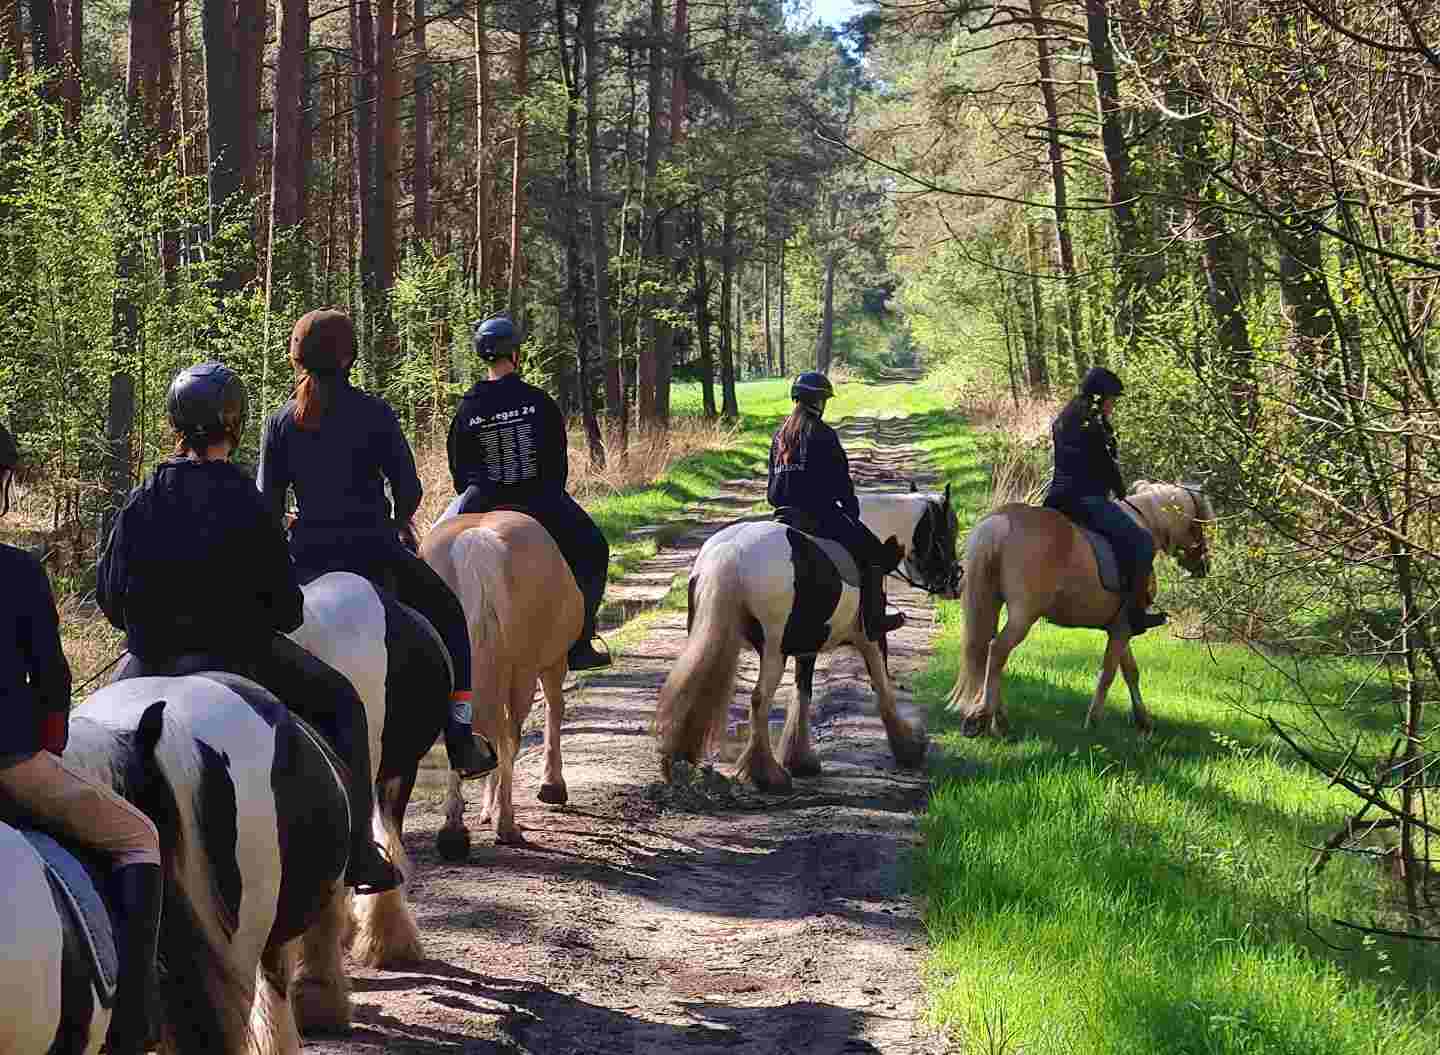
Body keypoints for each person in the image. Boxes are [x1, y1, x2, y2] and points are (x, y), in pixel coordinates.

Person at [98, 361, 403, 894]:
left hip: (149, 659)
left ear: (176, 423)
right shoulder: (248, 500)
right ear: (233, 425)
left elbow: (108, 595)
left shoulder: (143, 495)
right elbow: (286, 609)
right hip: (240, 657)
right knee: (344, 705)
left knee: (93, 736)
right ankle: (358, 854)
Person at [256, 308, 497, 780]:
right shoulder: (374, 411)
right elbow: (409, 491)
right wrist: (391, 519)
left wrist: (293, 522)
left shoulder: (280, 421)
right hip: (373, 552)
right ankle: (461, 737)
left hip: (306, 560)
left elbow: (266, 505)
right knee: (449, 616)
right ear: (349, 359)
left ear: (297, 359)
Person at [0, 420, 163, 1055]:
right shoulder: (17, 572)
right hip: (11, 765)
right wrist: (49, 736)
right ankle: (134, 1016)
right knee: (138, 837)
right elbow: (52, 689)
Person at [447, 314, 612, 671]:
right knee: (595, 549)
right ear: (515, 355)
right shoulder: (537, 401)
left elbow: (459, 471)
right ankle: (580, 642)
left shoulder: (467, 408)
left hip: (481, 501)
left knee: (434, 554)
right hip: (539, 498)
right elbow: (557, 462)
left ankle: (449, 650)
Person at [766, 372, 906, 641]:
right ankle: (874, 619)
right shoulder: (823, 433)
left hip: (782, 515)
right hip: (818, 516)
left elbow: (772, 486)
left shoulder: (779, 435)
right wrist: (851, 512)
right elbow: (841, 481)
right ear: (819, 401)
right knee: (875, 555)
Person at [1041, 366, 1167, 636]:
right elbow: (1106, 466)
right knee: (1143, 542)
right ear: (1100, 397)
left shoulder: (1066, 417)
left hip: (1056, 499)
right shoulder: (1093, 424)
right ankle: (1134, 614)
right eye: (1111, 399)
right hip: (1086, 500)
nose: (1113, 406)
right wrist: (1121, 492)